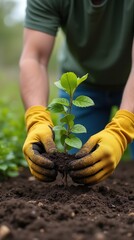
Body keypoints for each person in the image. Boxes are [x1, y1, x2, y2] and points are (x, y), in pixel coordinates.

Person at [19, 0, 134, 185]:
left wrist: (123, 128)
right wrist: (36, 118)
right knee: (80, 168)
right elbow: (34, 58)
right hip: (81, 86)